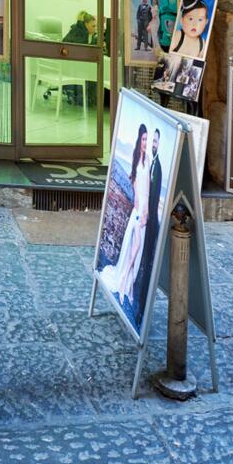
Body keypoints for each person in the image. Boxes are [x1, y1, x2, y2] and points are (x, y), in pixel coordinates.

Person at [99, 124, 150, 307]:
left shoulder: (148, 160)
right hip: (138, 208)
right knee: (133, 247)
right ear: (139, 140)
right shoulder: (137, 158)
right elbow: (135, 181)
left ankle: (128, 285)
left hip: (144, 208)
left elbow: (148, 188)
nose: (145, 142)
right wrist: (138, 205)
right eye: (143, 139)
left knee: (138, 247)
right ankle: (124, 283)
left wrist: (147, 210)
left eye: (147, 139)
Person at [133, 129, 162, 328]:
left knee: (148, 263)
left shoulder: (157, 166)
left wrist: (146, 216)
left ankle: (141, 311)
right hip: (144, 214)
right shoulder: (150, 162)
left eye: (154, 141)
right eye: (150, 140)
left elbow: (153, 196)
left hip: (150, 220)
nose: (152, 143)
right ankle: (138, 306)